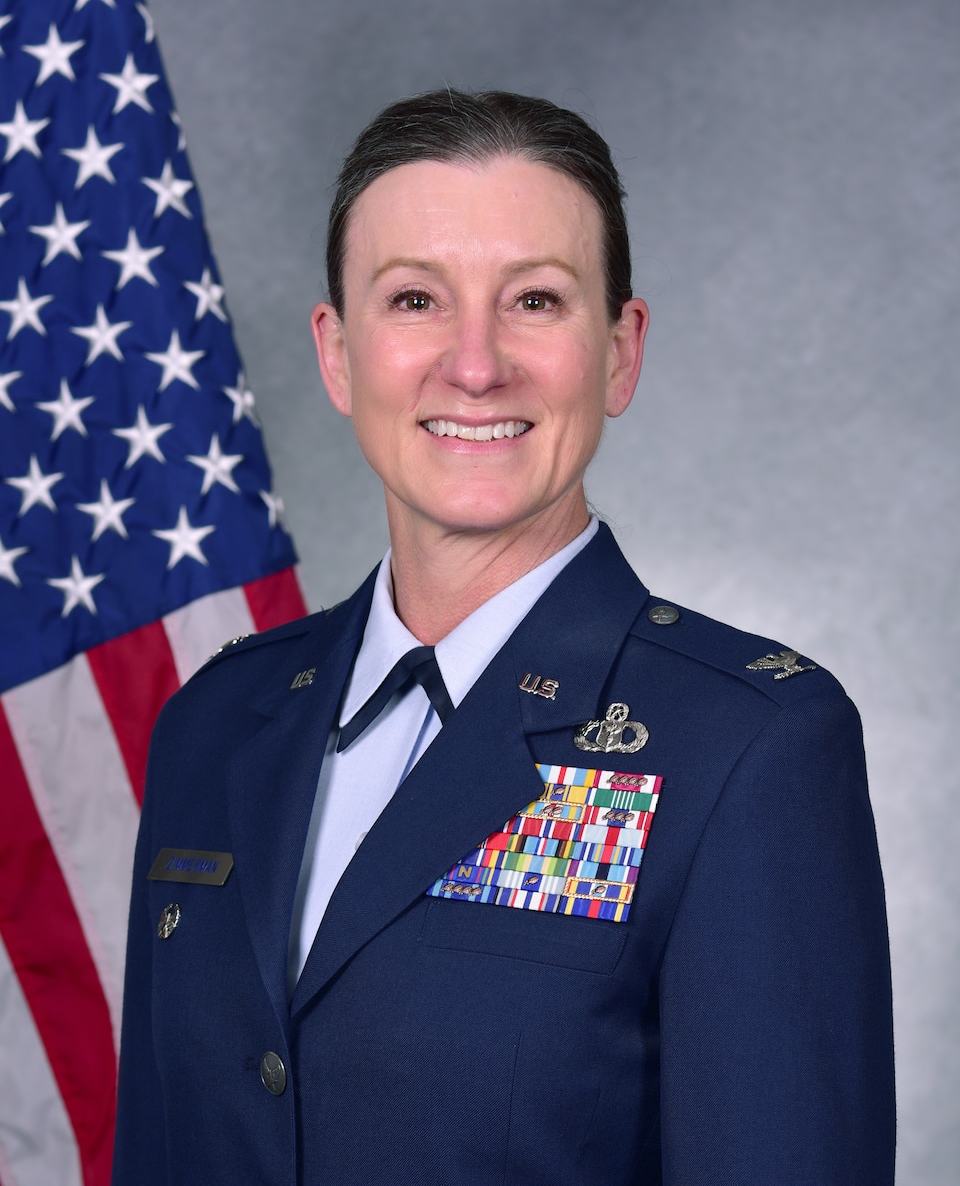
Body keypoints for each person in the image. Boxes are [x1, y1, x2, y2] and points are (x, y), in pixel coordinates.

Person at [112, 89, 895, 1185]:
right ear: (337, 355)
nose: (474, 366)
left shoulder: (750, 746)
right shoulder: (212, 724)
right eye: (415, 300)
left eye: (535, 299)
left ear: (619, 352)